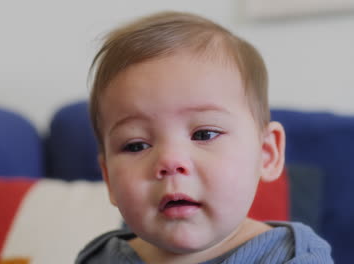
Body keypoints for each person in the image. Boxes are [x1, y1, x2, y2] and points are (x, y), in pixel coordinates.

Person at [76, 11, 333, 264]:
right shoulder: (99, 258)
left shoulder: (295, 257)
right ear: (109, 178)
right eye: (136, 145)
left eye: (204, 134)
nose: (170, 160)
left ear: (267, 154)